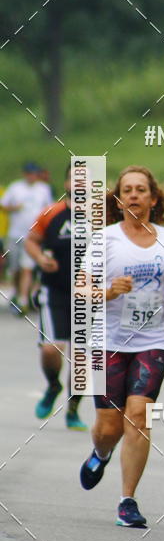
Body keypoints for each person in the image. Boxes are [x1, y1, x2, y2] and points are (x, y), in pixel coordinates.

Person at [79, 166, 164, 527]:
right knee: (109, 427)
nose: (135, 195)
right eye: (128, 190)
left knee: (138, 417)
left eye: (142, 190)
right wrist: (108, 291)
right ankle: (100, 452)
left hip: (153, 340)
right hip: (107, 341)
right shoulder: (104, 240)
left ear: (154, 199)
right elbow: (82, 289)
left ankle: (128, 500)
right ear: (119, 199)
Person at [24, 165, 87, 430]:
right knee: (51, 348)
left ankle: (73, 409)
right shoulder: (52, 213)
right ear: (66, 182)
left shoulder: (103, 216)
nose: (80, 184)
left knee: (83, 360)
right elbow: (31, 240)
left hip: (91, 295)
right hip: (55, 290)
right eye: (75, 179)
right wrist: (39, 258)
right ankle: (53, 385)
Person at [1, 162, 53, 314]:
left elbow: (48, 208)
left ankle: (24, 299)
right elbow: (3, 205)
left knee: (27, 267)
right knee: (16, 268)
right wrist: (14, 208)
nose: (32, 176)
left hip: (33, 236)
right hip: (15, 234)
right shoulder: (15, 187)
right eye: (29, 173)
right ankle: (18, 293)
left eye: (34, 173)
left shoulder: (43, 189)